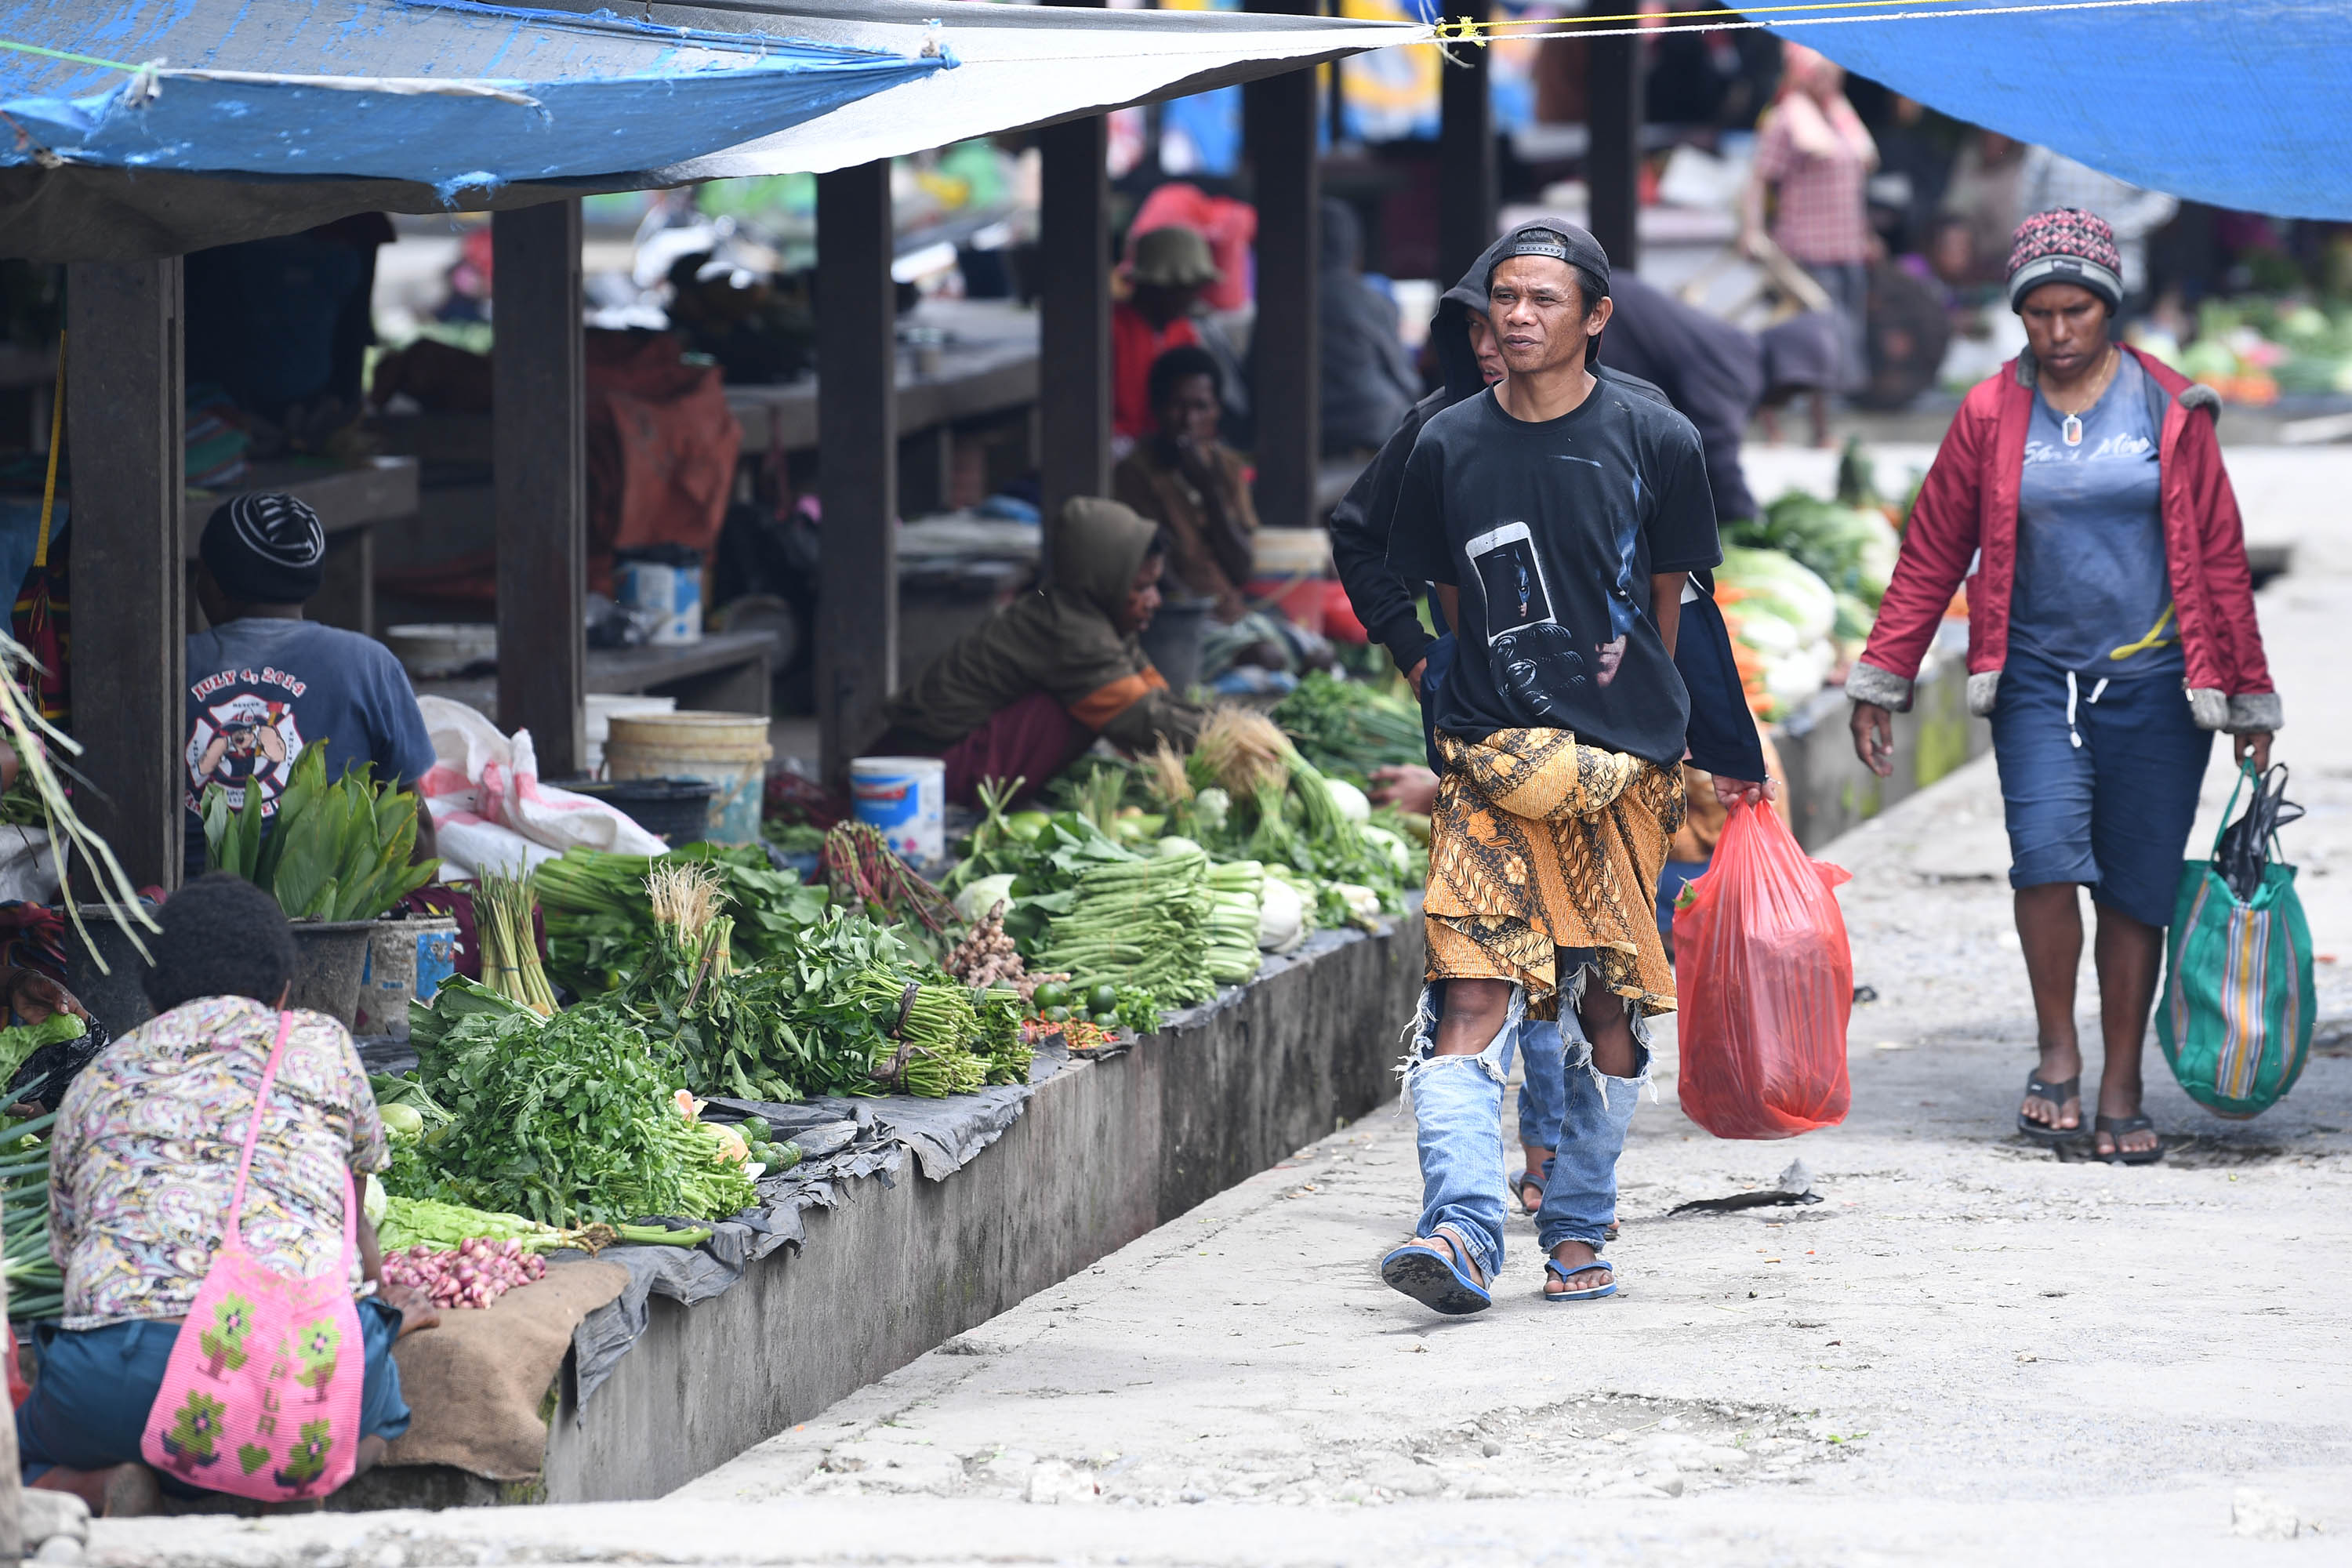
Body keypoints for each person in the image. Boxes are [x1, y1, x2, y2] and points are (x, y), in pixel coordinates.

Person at [1378, 221, 1766, 1313]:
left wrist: (1707, 751)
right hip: (1493, 768)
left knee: (1606, 1006)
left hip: (1621, 770)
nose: (1516, 315)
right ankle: (1459, 1232)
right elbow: (1451, 606)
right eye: (1503, 295)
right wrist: (1483, 721)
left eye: (1544, 298)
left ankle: (1581, 1227)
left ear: (1596, 318)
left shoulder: (1658, 440)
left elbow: (1672, 613)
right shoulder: (1444, 445)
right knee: (1469, 994)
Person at [1846, 209, 2280, 1166]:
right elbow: (1931, 552)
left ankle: (2123, 1080)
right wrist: (1883, 676)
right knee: (2044, 857)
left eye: (2075, 309)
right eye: (2037, 313)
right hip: (2038, 675)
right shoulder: (1990, 414)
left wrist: (2247, 696)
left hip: (2161, 683)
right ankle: (2058, 1054)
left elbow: (2218, 557)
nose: (2056, 331)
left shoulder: (2174, 409)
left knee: (2134, 889)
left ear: (2109, 308)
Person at [17, 873, 435, 1514]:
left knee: (23, 1455)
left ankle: (102, 1489)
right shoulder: (321, 1046)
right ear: (286, 990)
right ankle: (283, 1475)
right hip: (294, 1375)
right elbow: (357, 1226)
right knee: (377, 1422)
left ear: (153, 993)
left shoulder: (96, 1081)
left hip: (116, 1382)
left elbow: (72, 1258)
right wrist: (384, 1308)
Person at [877, 498, 1204, 806]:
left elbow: (1155, 697)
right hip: (930, 771)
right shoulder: (1069, 631)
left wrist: (1228, 724)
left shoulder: (1096, 616)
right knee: (1091, 707)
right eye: (1141, 588)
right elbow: (1140, 719)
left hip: (948, 758)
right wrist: (1225, 739)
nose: (1155, 601)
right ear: (1107, 579)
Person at [183, 493, 439, 878]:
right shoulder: (368, 664)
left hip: (180, 914)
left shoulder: (168, 664)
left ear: (214, 584)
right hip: (331, 921)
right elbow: (412, 823)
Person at [1742, 43, 1878, 442]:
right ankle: (1780, 424)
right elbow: (1759, 179)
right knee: (1809, 344)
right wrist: (1753, 232)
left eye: (1833, 70)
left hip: (1846, 249)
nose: (1828, 77)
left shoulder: (1841, 118)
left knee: (1839, 343)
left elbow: (1852, 185)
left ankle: (1822, 429)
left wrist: (1867, 234)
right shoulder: (1786, 118)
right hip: (1804, 252)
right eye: (1820, 70)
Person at [1112, 345, 1260, 625]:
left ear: (1217, 410)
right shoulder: (1134, 475)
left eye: (1200, 407)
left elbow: (1242, 569)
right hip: (1180, 622)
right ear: (1157, 408)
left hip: (1233, 614)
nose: (1188, 421)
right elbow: (1162, 578)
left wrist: (1210, 491)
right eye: (1177, 406)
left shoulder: (1226, 466)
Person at [1313, 198, 1422, 457]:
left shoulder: (1281, 301)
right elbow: (1405, 377)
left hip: (1303, 428)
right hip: (1372, 427)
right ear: (1352, 247)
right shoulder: (1371, 299)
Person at [2015, 147, 2179, 315]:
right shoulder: (2049, 136)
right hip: (2055, 270)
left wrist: (2107, 228)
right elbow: (2025, 203)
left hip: (2119, 271)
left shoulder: (2136, 142)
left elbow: (2164, 200)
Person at [1112, 228, 1222, 445]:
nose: (1193, 297)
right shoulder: (1113, 329)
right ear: (1156, 285)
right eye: (1185, 288)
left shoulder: (1183, 332)